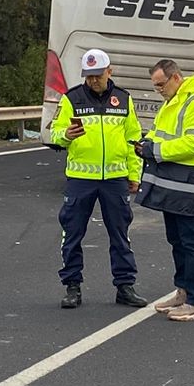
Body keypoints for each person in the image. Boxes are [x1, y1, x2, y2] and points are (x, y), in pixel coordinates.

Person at [50, 48, 147, 310]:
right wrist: (66, 135)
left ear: (109, 71)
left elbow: (133, 141)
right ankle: (72, 286)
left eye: (98, 75)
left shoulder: (123, 99)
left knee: (120, 233)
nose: (93, 80)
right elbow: (55, 133)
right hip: (81, 178)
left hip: (115, 179)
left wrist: (134, 174)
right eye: (89, 76)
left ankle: (125, 286)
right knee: (72, 233)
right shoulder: (72, 99)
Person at [138, 57, 194, 322]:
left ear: (176, 78)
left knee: (192, 241)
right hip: (172, 183)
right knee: (177, 239)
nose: (158, 90)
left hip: (190, 183)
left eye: (161, 84)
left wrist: (156, 151)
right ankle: (183, 291)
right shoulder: (171, 103)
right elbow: (159, 133)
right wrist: (144, 143)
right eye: (155, 86)